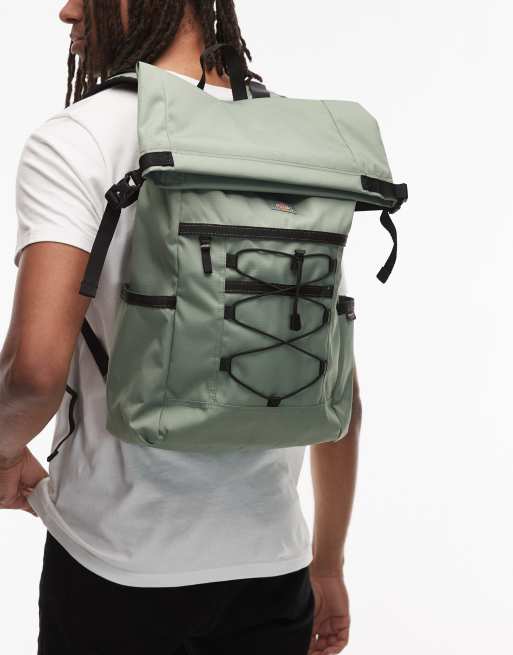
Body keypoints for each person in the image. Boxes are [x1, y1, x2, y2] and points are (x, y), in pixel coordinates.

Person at [0, 1, 362, 653]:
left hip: (116, 567)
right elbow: (338, 389)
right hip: (272, 570)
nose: (67, 10)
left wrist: (2, 450)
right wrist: (327, 563)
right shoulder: (294, 143)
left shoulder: (82, 136)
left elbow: (32, 373)